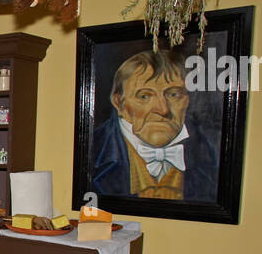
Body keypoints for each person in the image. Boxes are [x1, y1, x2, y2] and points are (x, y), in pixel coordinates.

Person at [90, 49, 217, 201]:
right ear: (119, 103)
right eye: (144, 96)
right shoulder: (92, 151)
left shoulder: (212, 152)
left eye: (174, 94)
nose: (162, 109)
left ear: (187, 100)